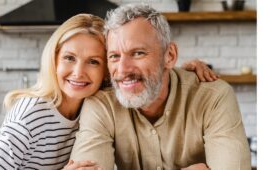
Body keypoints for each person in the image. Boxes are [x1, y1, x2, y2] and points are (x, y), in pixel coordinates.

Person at [0, 13, 217, 170]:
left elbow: (140, 78)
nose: (79, 72)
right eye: (69, 58)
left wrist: (180, 70)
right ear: (54, 59)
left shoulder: (95, 104)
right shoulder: (31, 115)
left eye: (93, 62)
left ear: (106, 70)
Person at [70, 4, 251, 170]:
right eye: (114, 56)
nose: (123, 69)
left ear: (170, 56)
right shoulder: (101, 104)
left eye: (138, 53)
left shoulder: (213, 97)